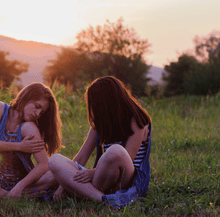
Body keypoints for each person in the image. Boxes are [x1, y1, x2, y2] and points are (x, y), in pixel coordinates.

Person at [48, 76, 152, 208]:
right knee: (55, 160)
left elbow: (128, 158)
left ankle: (84, 192)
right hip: (102, 178)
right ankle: (103, 200)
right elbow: (81, 157)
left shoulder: (137, 121)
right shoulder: (101, 123)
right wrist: (63, 186)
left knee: (116, 151)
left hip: (128, 180)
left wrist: (92, 173)